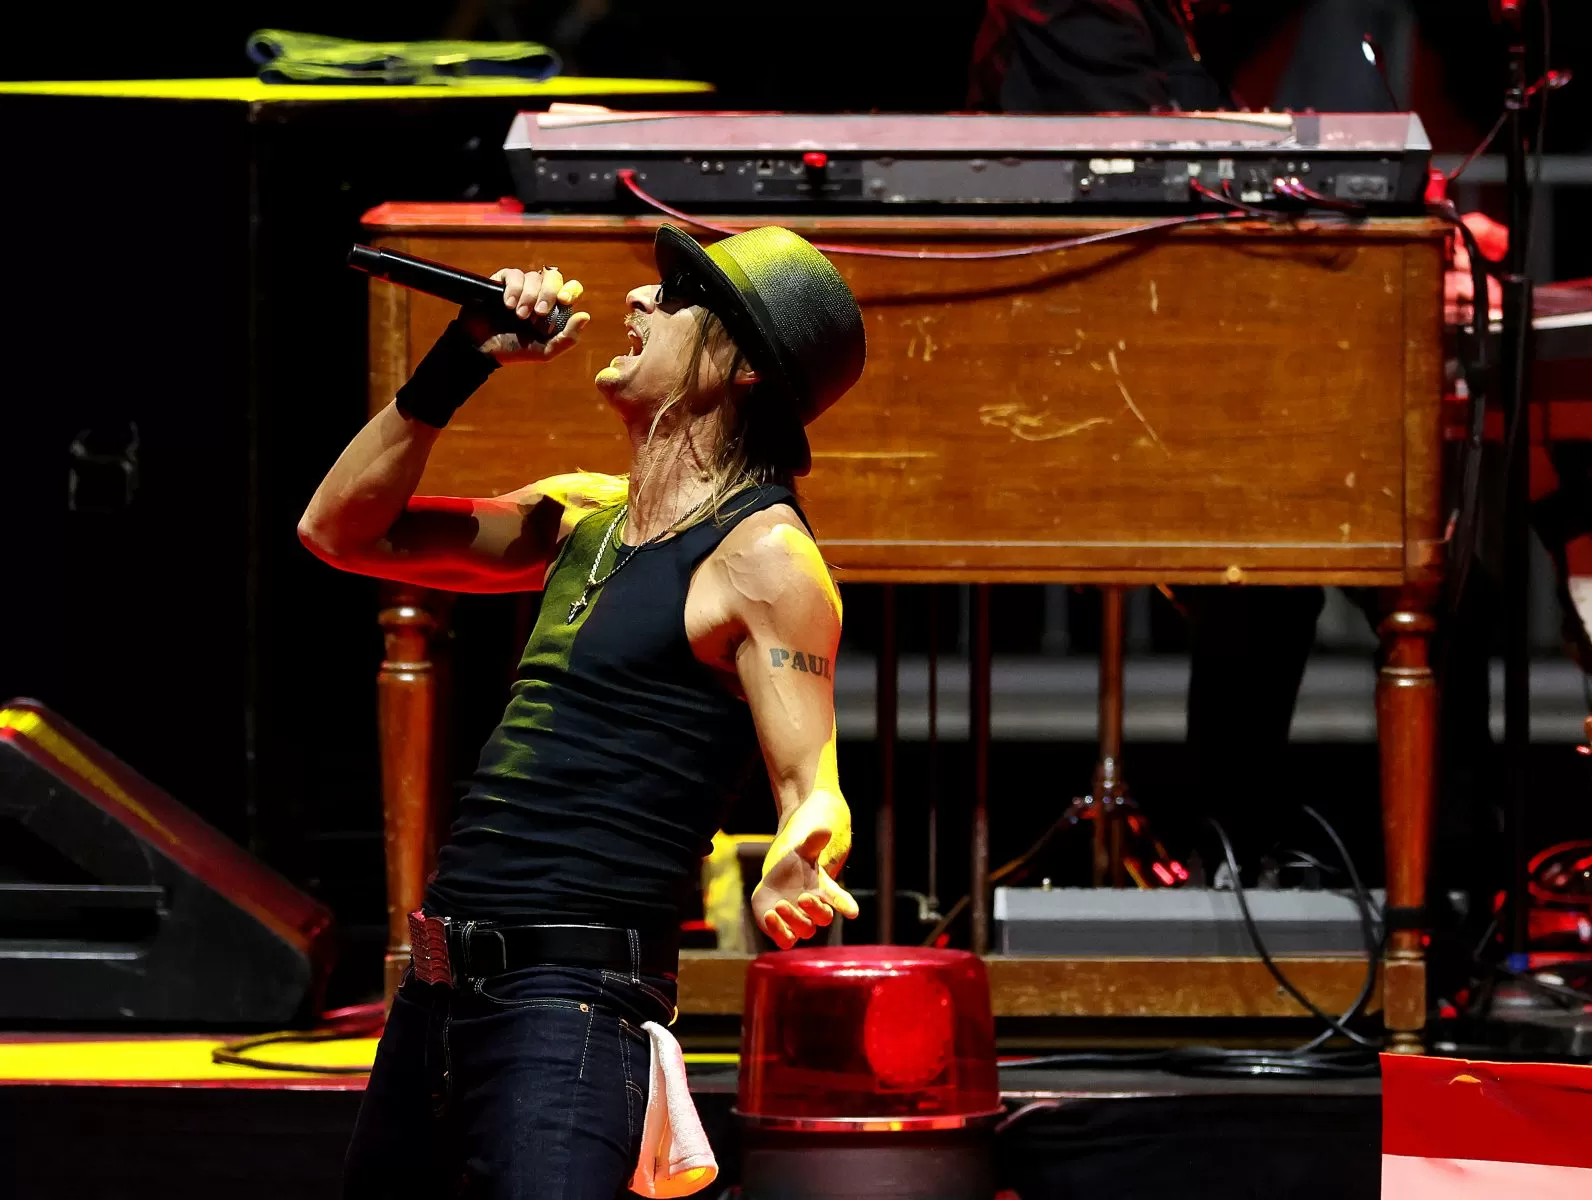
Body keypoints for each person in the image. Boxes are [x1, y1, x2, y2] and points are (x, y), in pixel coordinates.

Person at [300, 222, 867, 1198]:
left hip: (569, 1005)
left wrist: (802, 847)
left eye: (677, 298)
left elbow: (812, 780)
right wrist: (461, 357)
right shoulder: (578, 517)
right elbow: (339, 531)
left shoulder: (764, 556)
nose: (639, 299)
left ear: (743, 367)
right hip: (439, 991)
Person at [968, 0, 1507, 872]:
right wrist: (1381, 232)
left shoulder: (1165, 15)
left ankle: (1427, 885)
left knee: (1428, 574)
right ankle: (1265, 860)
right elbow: (1160, 178)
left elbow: (1215, 167)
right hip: (1079, 388)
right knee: (1279, 574)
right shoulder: (1073, 7)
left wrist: (1409, 225)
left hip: (1175, 370)